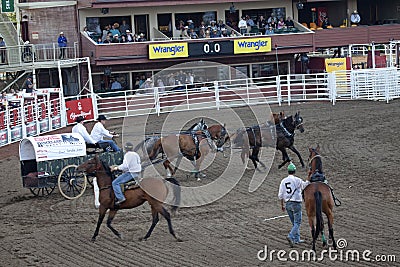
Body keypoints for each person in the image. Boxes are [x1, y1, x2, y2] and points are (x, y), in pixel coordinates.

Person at [278, 162, 309, 247]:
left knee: (294, 222)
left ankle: (297, 239)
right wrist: (308, 179)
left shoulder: (283, 181)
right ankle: (291, 236)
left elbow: (280, 195)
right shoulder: (297, 180)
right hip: (296, 203)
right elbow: (305, 185)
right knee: (297, 222)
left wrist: (282, 205)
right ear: (294, 171)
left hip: (288, 203)